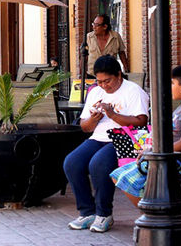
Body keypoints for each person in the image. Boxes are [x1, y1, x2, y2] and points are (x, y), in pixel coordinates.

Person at [63, 55, 149, 233]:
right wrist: (94, 119)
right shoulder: (95, 92)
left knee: (98, 164)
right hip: (98, 137)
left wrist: (113, 115)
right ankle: (87, 212)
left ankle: (104, 214)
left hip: (124, 139)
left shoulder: (133, 91)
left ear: (119, 74)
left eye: (107, 81)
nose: (103, 85)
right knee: (72, 162)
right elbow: (85, 127)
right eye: (99, 81)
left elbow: (141, 122)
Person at [111, 64, 181, 208]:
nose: (170, 87)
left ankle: (152, 212)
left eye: (172, 83)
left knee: (124, 179)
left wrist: (154, 151)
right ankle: (153, 212)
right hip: (166, 157)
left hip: (176, 161)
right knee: (117, 175)